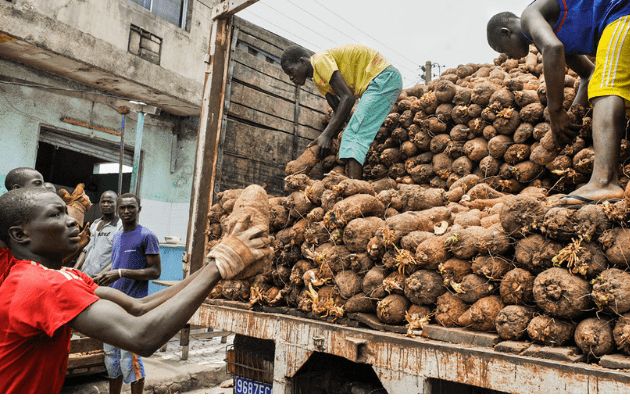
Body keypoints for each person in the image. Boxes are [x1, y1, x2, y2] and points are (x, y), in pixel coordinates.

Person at [0, 187, 271, 393]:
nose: (71, 220)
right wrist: (220, 266)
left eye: (65, 210)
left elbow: (139, 307)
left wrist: (215, 263)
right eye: (55, 215)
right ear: (20, 235)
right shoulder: (42, 284)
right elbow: (141, 336)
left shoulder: (63, 275)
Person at [486, 0, 630, 204]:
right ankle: (603, 181)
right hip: (620, 18)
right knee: (600, 85)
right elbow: (587, 75)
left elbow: (553, 49)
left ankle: (604, 182)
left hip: (624, 12)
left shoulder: (529, 16)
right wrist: (573, 117)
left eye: (503, 49)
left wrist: (556, 111)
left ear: (505, 32)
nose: (507, 56)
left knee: (606, 89)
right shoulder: (548, 31)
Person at [281, 44, 403, 179]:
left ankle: (353, 192)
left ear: (302, 61)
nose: (291, 77)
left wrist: (326, 135)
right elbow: (339, 109)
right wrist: (326, 135)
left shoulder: (320, 61)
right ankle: (355, 186)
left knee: (353, 135)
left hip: (384, 79)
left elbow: (348, 98)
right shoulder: (319, 80)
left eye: (291, 71)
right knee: (352, 132)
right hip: (380, 82)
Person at [93, 193, 159, 394]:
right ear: (118, 209)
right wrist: (106, 275)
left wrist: (121, 273)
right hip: (113, 306)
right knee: (111, 359)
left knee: (130, 359)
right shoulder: (118, 236)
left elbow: (155, 271)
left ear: (139, 208)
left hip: (133, 308)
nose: (126, 211)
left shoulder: (147, 236)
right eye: (123, 208)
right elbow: (117, 265)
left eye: (131, 207)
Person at [75, 191, 121, 277]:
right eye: (103, 202)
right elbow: (85, 249)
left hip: (101, 279)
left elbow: (119, 257)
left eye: (110, 202)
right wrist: (75, 268)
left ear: (117, 204)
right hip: (84, 275)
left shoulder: (120, 227)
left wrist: (101, 275)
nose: (106, 204)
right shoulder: (95, 224)